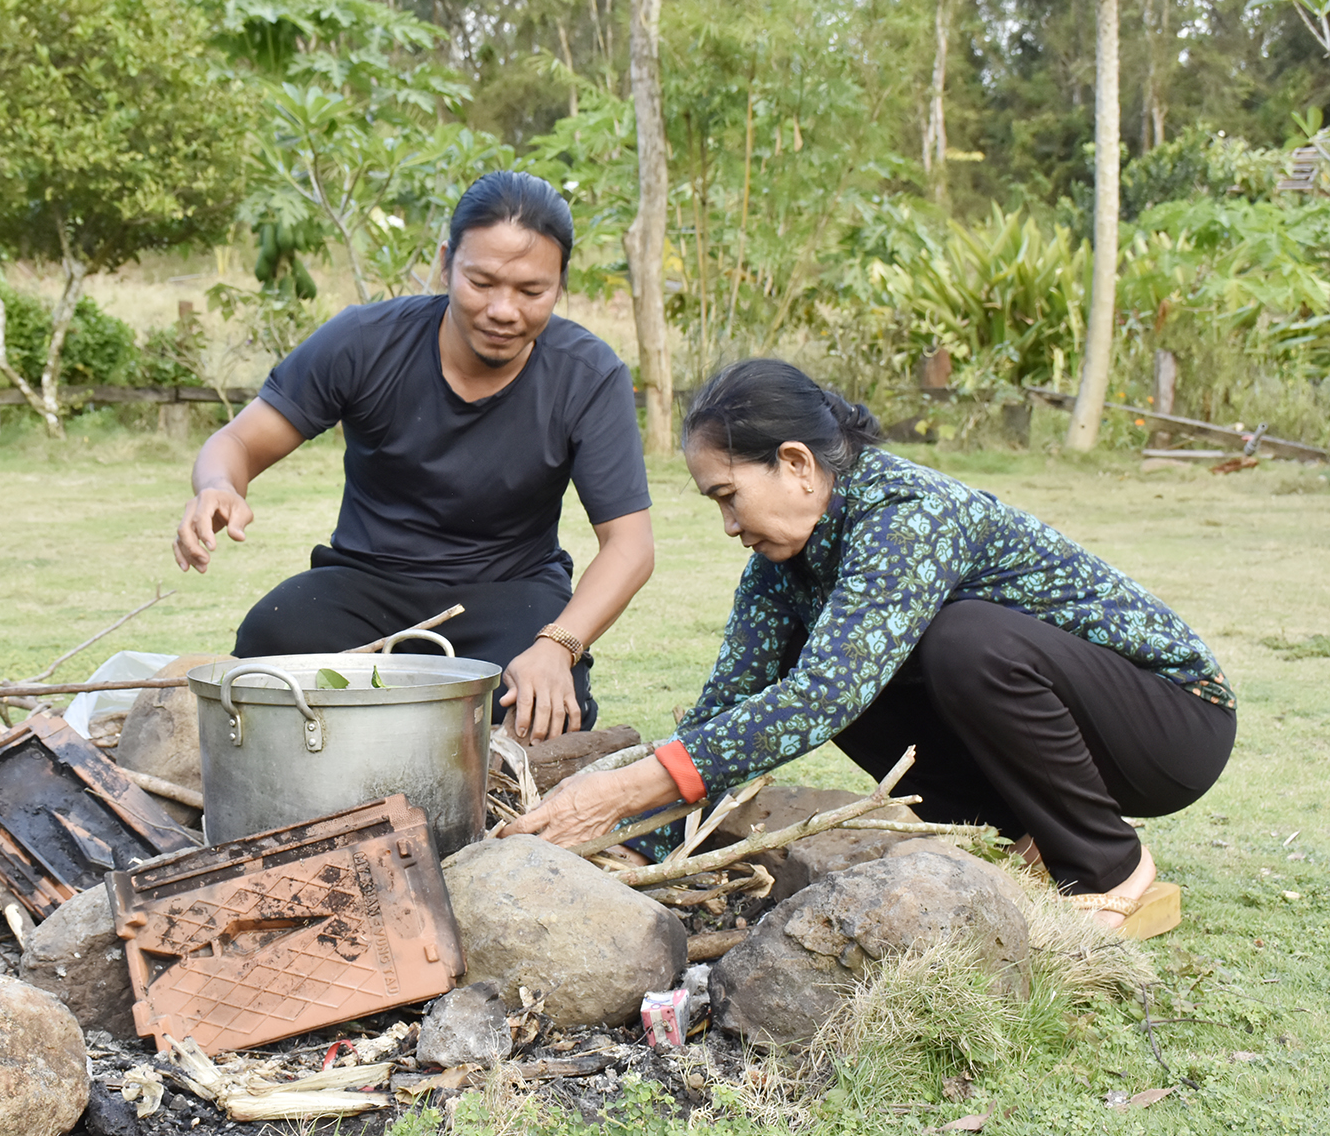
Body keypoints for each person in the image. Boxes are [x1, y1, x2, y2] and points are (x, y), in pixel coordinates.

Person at [504, 358, 1236, 935]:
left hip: (1176, 724)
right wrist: (643, 843)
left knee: (959, 642)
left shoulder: (906, 514)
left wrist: (623, 788)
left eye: (728, 494)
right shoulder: (780, 567)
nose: (728, 523)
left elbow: (825, 693)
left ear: (796, 463)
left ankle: (1110, 868)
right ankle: (1035, 834)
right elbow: (730, 709)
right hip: (1075, 735)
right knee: (838, 669)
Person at [172, 171, 655, 743]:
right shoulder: (364, 342)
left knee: (538, 709)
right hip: (364, 584)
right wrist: (219, 485)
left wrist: (560, 646)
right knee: (268, 650)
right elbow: (236, 443)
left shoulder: (588, 375)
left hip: (510, 590)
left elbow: (630, 546)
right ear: (447, 261)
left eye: (532, 291)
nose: (504, 310)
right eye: (481, 282)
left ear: (560, 282)